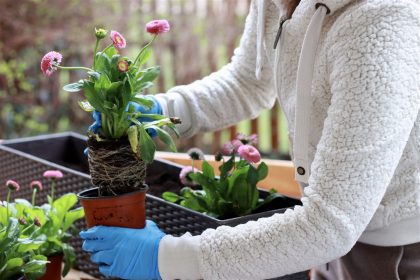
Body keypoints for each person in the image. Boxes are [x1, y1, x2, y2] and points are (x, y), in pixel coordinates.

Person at [80, 0, 420, 279]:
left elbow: (330, 223)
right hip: (330, 242)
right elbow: (249, 81)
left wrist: (167, 257)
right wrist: (163, 111)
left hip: (397, 253)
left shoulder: (381, 24)